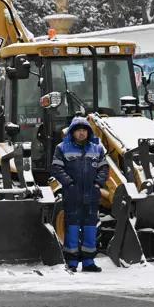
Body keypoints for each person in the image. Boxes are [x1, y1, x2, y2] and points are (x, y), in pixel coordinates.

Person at [51, 116, 109, 273]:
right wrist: (69, 183)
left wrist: (98, 183)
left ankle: (89, 262)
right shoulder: (62, 148)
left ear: (88, 132)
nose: (82, 133)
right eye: (79, 131)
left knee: (90, 228)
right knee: (73, 227)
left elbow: (104, 168)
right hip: (72, 194)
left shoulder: (97, 149)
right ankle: (72, 262)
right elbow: (57, 168)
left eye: (84, 130)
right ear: (72, 132)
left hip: (92, 194)